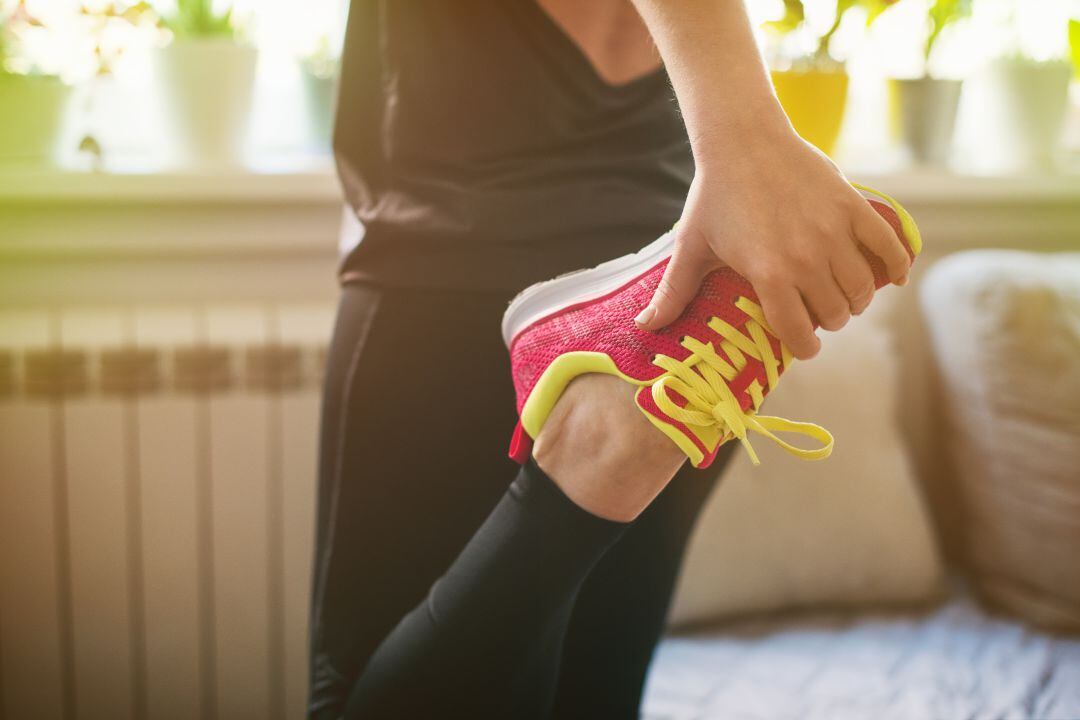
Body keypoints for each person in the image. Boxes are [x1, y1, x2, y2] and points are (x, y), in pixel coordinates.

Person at [309, 1, 912, 718]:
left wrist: (749, 146)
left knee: (347, 697)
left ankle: (588, 456)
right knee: (594, 700)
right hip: (683, 307)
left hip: (452, 245)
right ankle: (598, 460)